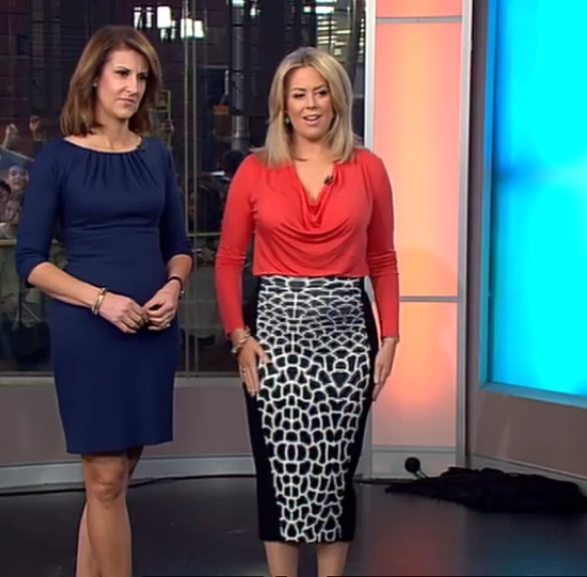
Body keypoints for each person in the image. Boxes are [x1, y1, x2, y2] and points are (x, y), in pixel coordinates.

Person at [214, 46, 400, 577]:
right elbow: (228, 261)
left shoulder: (368, 168)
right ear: (283, 104)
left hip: (347, 334)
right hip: (275, 333)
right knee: (277, 472)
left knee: (335, 473)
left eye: (321, 93)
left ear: (338, 100)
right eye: (299, 94)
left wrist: (390, 336)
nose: (311, 104)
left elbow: (383, 259)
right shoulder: (254, 171)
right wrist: (239, 336)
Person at [14, 26, 192, 577]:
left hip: (150, 332)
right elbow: (30, 261)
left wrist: (173, 287)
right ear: (93, 78)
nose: (132, 87)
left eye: (141, 77)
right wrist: (101, 301)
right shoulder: (58, 159)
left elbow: (179, 248)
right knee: (106, 478)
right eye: (121, 74)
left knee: (112, 482)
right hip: (91, 331)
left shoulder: (156, 156)